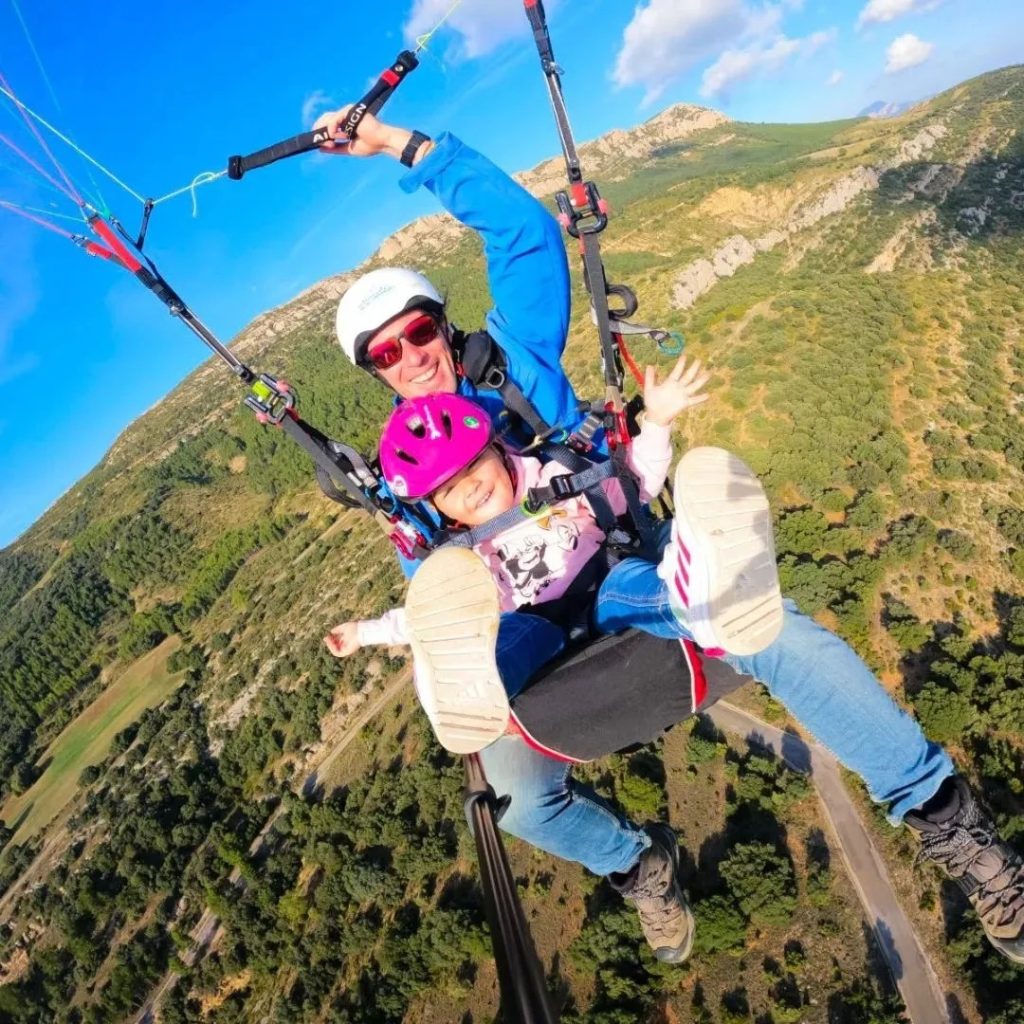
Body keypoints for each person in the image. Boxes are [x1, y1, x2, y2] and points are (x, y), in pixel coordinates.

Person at [314, 105, 1024, 965]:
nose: (411, 357)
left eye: (418, 333)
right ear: (373, 373)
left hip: (615, 568)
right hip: (518, 628)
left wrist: (397, 143)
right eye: (386, 355)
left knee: (774, 632)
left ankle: (952, 827)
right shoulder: (400, 481)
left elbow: (527, 237)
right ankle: (638, 865)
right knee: (523, 801)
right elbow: (435, 587)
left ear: (442, 325)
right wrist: (409, 635)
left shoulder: (511, 370)